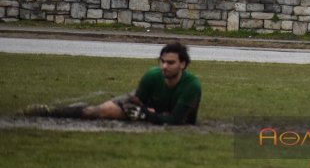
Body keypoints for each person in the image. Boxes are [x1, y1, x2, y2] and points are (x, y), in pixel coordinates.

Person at [25, 43, 201, 125]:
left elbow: (176, 120)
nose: (164, 66)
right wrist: (133, 106)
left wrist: (145, 115)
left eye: (170, 63)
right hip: (149, 108)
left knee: (164, 118)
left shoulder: (191, 85)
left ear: (183, 64)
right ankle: (52, 111)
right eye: (162, 61)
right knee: (101, 110)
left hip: (169, 114)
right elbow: (138, 101)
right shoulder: (152, 76)